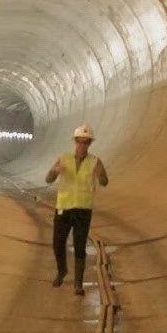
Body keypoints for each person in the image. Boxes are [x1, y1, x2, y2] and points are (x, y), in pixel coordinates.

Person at [45, 125, 110, 295]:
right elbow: (48, 179)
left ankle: (78, 284)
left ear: (89, 144)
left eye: (86, 142)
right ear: (75, 142)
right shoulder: (63, 158)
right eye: (80, 142)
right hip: (64, 208)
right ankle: (62, 271)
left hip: (83, 209)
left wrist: (100, 175)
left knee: (80, 246)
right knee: (58, 244)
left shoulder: (95, 162)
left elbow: (104, 182)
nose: (82, 145)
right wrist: (54, 171)